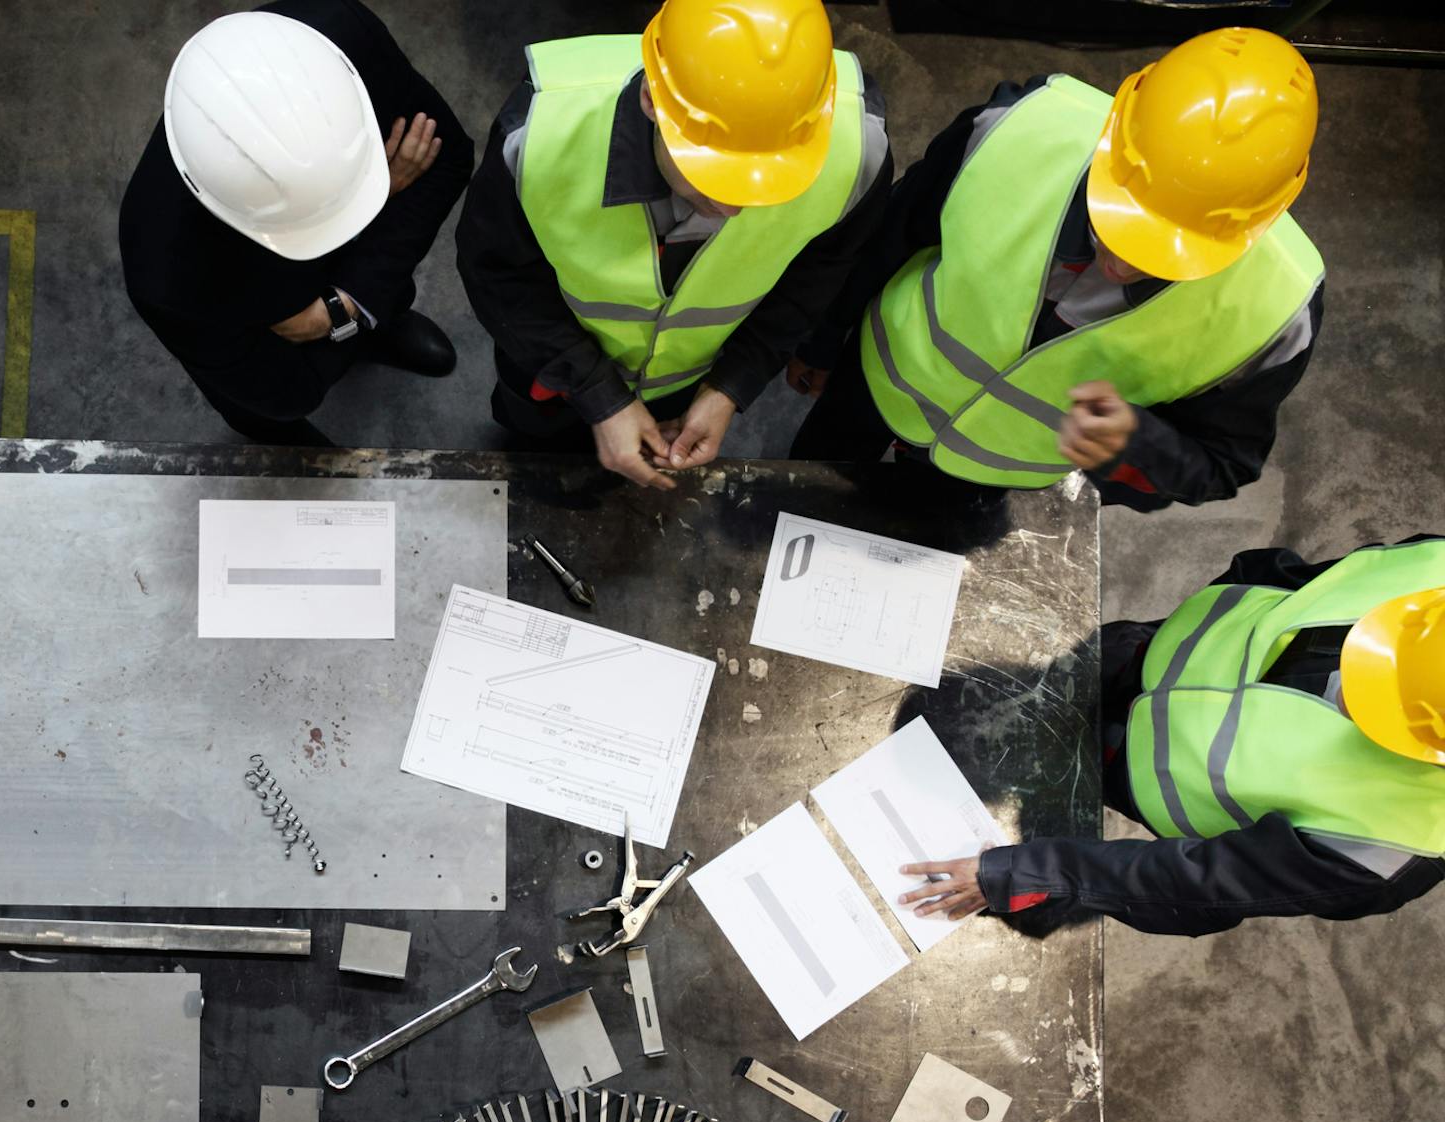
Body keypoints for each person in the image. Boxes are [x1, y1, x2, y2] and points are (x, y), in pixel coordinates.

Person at [787, 28, 1324, 511]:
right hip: (874, 384)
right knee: (807, 494)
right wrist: (823, 340)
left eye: (1165, 253)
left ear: (1257, 220)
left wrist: (1136, 447)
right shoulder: (1014, 130)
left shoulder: (1275, 313)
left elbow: (1222, 465)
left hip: (992, 471)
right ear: (1115, 136)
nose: (1121, 264)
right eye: (1121, 222)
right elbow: (888, 237)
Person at [898, 538, 1445, 936]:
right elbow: (1297, 577)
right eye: (1379, 662)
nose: (1349, 685)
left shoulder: (1391, 847)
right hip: (1139, 652)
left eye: (1381, 706)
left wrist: (1020, 873)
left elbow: (1191, 888)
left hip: (1130, 767)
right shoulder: (1433, 570)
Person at [457, 0, 892, 489]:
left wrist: (728, 387)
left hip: (688, 385)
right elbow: (496, 274)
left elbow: (816, 279)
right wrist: (599, 395)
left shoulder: (857, 152)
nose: (735, 209)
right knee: (534, 460)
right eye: (713, 176)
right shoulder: (540, 135)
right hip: (550, 370)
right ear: (650, 101)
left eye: (771, 183)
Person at [119, 2, 472, 447]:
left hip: (313, 309)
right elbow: (288, 392)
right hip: (257, 329)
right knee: (271, 415)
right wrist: (384, 193)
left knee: (378, 296)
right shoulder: (166, 275)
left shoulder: (333, 33)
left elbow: (449, 156)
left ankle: (375, 325)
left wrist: (342, 310)